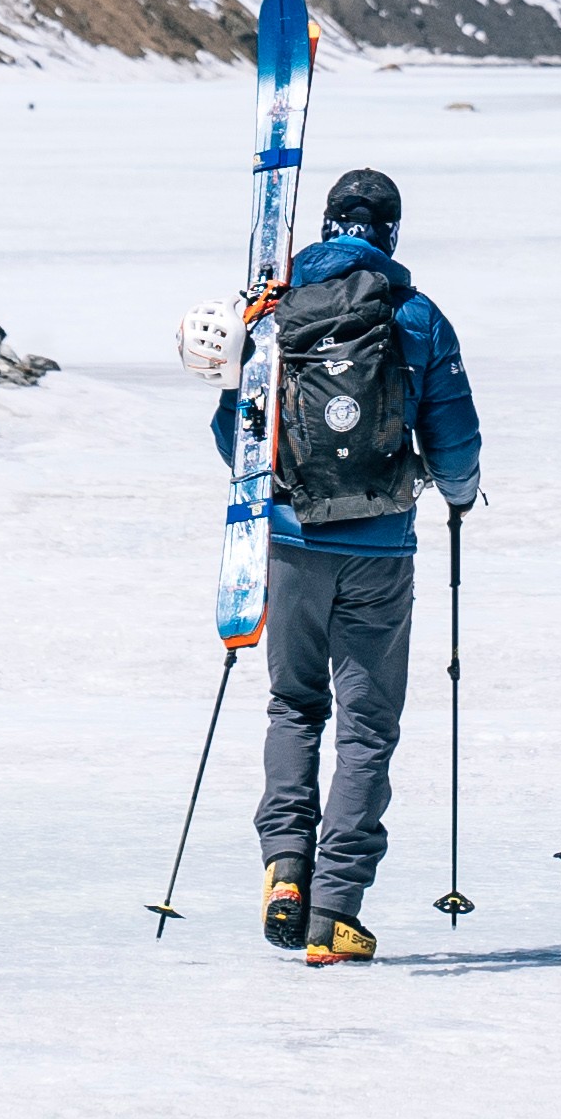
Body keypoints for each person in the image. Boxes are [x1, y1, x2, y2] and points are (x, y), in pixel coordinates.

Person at [190, 165, 479, 965]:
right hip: (381, 552)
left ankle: (285, 863)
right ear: (390, 233)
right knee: (366, 729)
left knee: (293, 707)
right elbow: (456, 441)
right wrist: (456, 496)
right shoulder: (416, 317)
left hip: (290, 545)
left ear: (324, 226)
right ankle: (335, 909)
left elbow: (235, 439)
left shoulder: (277, 315)